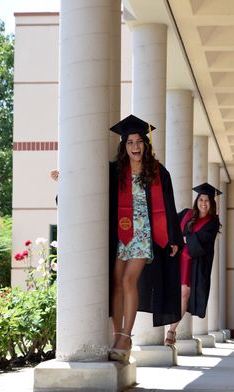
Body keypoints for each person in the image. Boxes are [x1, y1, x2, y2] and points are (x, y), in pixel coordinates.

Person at [109, 114, 184, 363]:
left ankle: (126, 337)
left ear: (146, 143)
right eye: (129, 142)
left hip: (144, 233)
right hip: (121, 233)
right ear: (124, 146)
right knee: (116, 282)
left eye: (139, 141)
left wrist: (173, 236)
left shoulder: (158, 172)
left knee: (130, 280)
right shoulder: (116, 171)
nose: (135, 147)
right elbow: (94, 192)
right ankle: (116, 335)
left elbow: (169, 206)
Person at [164, 182, 222, 346]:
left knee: (184, 294)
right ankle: (164, 325)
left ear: (212, 203)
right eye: (201, 199)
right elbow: (171, 225)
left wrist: (183, 239)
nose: (203, 203)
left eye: (207, 200)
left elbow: (201, 243)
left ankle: (172, 330)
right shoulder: (185, 214)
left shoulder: (212, 223)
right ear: (197, 201)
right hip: (175, 260)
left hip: (193, 264)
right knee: (171, 293)